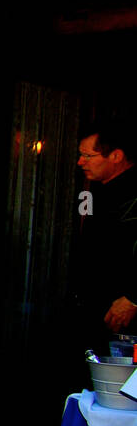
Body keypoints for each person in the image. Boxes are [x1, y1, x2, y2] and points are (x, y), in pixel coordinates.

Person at [73, 127, 137, 350]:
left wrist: (133, 297)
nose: (81, 162)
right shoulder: (91, 191)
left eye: (88, 156)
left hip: (123, 316)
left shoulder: (134, 193)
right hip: (92, 307)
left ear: (116, 156)